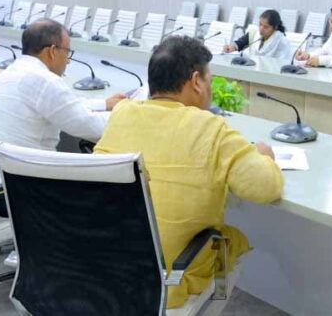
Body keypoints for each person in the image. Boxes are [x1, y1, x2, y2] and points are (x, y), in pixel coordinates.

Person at [94, 35, 284, 309]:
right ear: (196, 81)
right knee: (229, 241)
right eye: (210, 80)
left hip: (108, 266)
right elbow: (266, 188)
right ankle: (214, 303)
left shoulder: (122, 114)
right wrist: (266, 157)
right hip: (168, 283)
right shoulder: (211, 128)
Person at [0, 19, 125, 216]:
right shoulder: (44, 81)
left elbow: (61, 106)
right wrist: (129, 114)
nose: (68, 61)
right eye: (67, 52)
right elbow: (88, 126)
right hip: (19, 195)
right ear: (53, 51)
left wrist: (104, 104)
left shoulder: (13, 71)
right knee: (109, 192)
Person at [223, 9, 291, 59]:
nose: (261, 29)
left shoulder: (282, 42)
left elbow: (281, 63)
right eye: (260, 24)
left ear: (275, 28)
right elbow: (241, 43)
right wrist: (232, 47)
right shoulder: (255, 33)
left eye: (266, 27)